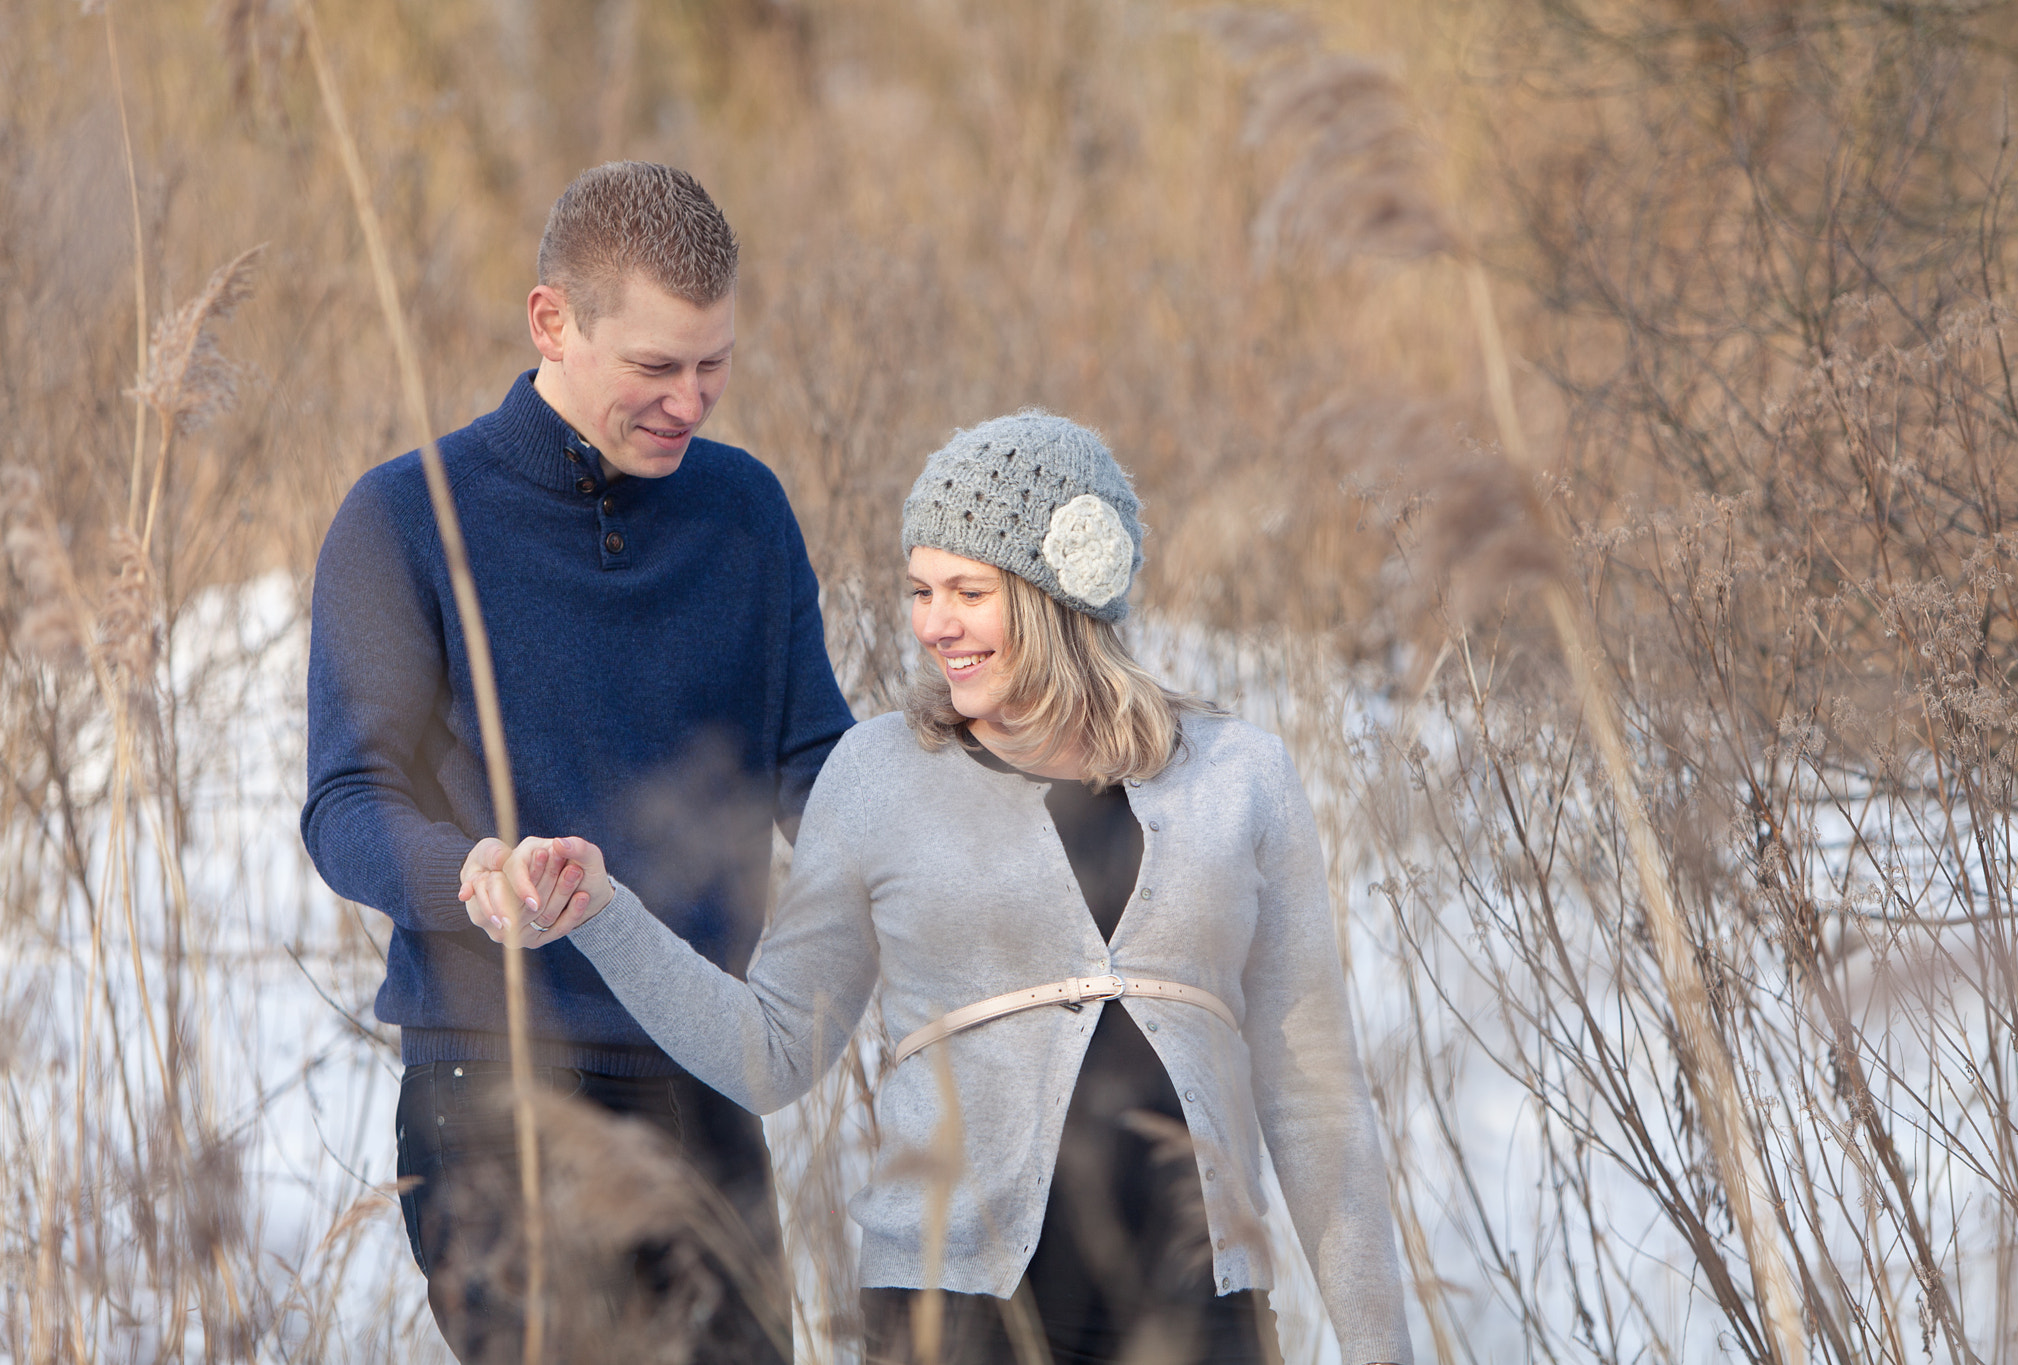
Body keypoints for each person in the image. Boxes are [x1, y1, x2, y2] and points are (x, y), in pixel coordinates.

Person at [472, 412, 1413, 1365]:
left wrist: (1383, 1349)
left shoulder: (1240, 775)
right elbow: (775, 1052)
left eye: (969, 589)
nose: (933, 624)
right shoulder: (877, 775)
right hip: (955, 1316)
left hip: (1200, 1313)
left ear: (1065, 597)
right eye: (921, 589)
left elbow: (1315, 1094)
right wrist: (606, 913)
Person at [300, 161, 854, 1362]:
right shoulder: (405, 519)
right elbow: (346, 800)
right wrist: (470, 871)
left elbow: (817, 764)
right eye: (655, 367)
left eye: (713, 365)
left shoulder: (744, 513)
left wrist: (944, 838)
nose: (691, 401)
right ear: (552, 320)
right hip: (495, 1093)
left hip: (708, 1073)